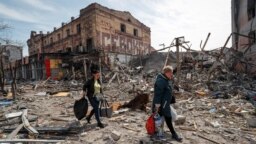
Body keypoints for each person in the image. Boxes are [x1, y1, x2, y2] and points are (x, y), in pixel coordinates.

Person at [152, 65, 182, 142]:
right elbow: (157, 95)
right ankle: (172, 134)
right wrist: (157, 107)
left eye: (172, 73)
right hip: (161, 105)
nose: (172, 75)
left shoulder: (165, 79)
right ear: (167, 73)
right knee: (164, 118)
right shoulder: (161, 81)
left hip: (165, 104)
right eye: (171, 73)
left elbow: (168, 90)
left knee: (169, 117)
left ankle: (164, 133)